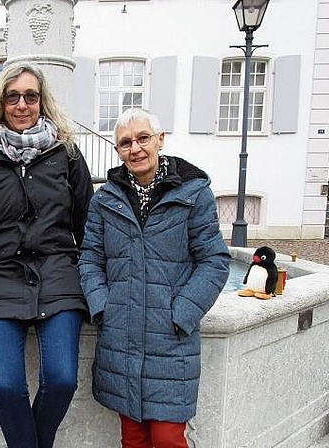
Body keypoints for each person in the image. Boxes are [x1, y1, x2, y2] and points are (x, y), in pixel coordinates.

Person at [0, 62, 94, 448]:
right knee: (6, 385)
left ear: (42, 102)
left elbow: (88, 226)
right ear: (0, 102)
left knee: (63, 379)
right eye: (12, 96)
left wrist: (96, 291)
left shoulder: (66, 154)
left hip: (58, 276)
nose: (21, 105)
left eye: (30, 96)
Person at [79, 108, 230, 448]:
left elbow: (215, 260)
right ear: (118, 150)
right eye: (125, 143)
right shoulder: (105, 200)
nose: (135, 148)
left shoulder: (193, 194)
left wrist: (182, 313)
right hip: (122, 336)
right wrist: (104, 307)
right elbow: (89, 257)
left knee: (167, 439)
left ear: (160, 140)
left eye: (143, 138)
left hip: (170, 339)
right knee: (132, 439)